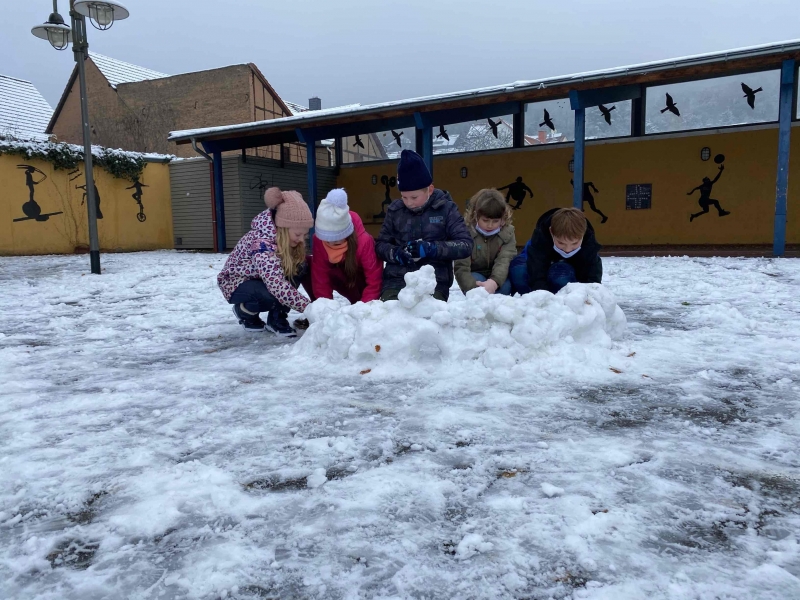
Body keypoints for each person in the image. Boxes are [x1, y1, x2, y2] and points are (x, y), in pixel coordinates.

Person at [375, 150, 473, 301]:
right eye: (404, 197)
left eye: (414, 197)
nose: (409, 202)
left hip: (434, 281)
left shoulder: (446, 209)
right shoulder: (395, 210)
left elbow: (465, 245)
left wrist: (431, 249)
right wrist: (396, 254)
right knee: (392, 317)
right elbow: (381, 245)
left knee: (427, 318)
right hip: (396, 280)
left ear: (430, 190)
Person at [217, 187, 314, 336]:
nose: (301, 239)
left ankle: (276, 319)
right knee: (269, 295)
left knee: (300, 266)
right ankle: (245, 311)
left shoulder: (287, 241)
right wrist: (310, 309)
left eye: (305, 235)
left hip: (262, 279)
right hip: (238, 282)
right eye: (298, 234)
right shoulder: (261, 243)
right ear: (282, 228)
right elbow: (276, 285)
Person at [311, 188, 383, 304]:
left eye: (336, 240)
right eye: (327, 240)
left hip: (361, 285)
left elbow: (374, 279)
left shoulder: (364, 241)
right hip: (345, 283)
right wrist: (324, 308)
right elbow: (320, 277)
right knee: (309, 264)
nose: (330, 243)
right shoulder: (318, 240)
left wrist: (364, 308)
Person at [515, 207, 602, 294]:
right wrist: (544, 299)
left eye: (575, 243)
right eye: (561, 243)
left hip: (570, 280)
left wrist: (585, 297)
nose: (568, 249)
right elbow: (537, 273)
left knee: (560, 273)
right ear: (551, 232)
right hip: (543, 278)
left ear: (583, 233)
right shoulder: (540, 240)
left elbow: (593, 282)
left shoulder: (589, 246)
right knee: (518, 268)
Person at [454, 188, 517, 295]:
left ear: (502, 218)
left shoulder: (508, 233)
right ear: (476, 215)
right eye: (485, 220)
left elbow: (504, 260)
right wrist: (472, 287)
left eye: (495, 221)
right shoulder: (465, 232)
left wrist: (494, 281)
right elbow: (461, 266)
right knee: (479, 289)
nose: (490, 225)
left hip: (498, 275)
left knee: (505, 288)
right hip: (475, 273)